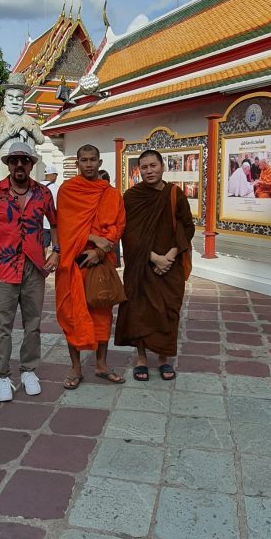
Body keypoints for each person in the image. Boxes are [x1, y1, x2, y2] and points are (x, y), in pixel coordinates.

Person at [0, 141, 59, 401]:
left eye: (24, 160)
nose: (19, 165)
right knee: (2, 326)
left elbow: (56, 222)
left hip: (35, 269)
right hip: (3, 270)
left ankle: (28, 371)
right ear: (7, 163)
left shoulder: (43, 194)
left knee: (33, 324)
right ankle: (2, 376)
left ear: (32, 164)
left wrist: (56, 251)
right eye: (14, 160)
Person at [115, 148, 194, 381]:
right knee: (139, 311)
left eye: (153, 166)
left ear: (162, 167)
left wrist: (170, 255)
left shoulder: (174, 194)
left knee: (168, 311)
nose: (149, 171)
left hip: (170, 265)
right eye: (145, 167)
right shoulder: (131, 197)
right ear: (139, 170)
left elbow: (187, 226)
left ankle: (163, 359)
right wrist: (153, 257)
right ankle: (141, 357)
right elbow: (127, 233)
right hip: (142, 265)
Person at [55, 144, 126, 389]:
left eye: (92, 159)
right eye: (83, 160)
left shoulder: (111, 193)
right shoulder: (67, 190)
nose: (88, 164)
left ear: (99, 162)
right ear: (77, 163)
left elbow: (118, 225)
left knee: (102, 311)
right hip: (73, 264)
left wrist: (99, 250)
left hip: (101, 263)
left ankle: (101, 364)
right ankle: (75, 368)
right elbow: (65, 227)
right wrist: (94, 238)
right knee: (72, 313)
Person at [0, 77, 45, 179]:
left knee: (29, 191)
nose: (15, 102)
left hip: (28, 160)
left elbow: (41, 140)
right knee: (6, 190)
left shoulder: (30, 120)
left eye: (19, 98)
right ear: (5, 100)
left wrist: (28, 128)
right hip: (7, 161)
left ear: (23, 100)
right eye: (11, 98)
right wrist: (10, 132)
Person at [42, 164, 60, 249]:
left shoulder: (37, 186)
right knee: (56, 248)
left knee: (43, 247)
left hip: (40, 222)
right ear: (53, 175)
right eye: (56, 175)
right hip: (54, 222)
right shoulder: (57, 188)